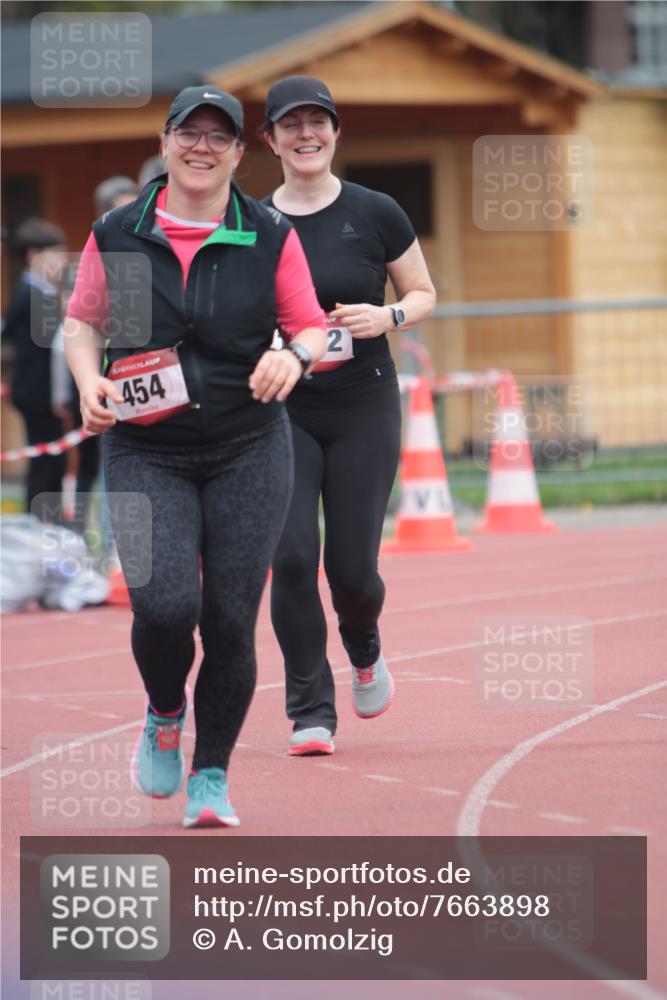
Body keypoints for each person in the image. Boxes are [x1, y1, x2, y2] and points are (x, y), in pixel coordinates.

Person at [64, 85, 327, 828]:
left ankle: (210, 776)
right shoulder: (118, 229)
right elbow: (82, 324)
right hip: (146, 448)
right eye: (191, 133)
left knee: (229, 619)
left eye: (220, 137)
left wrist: (295, 358)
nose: (203, 148)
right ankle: (162, 709)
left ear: (241, 153)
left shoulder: (268, 232)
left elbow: (309, 325)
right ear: (167, 140)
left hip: (248, 445)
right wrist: (90, 384)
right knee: (164, 606)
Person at [261, 76, 436, 756]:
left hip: (363, 403)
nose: (306, 135)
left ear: (336, 132)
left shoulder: (374, 211)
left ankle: (361, 642)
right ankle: (309, 707)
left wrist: (386, 315)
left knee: (352, 572)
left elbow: (421, 291)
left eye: (318, 123)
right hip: (280, 410)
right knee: (293, 556)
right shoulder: (249, 222)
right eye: (291, 124)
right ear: (270, 138)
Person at [2, 218, 69, 522]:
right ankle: (38, 526)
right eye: (55, 253)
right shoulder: (31, 293)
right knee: (46, 460)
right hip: (36, 392)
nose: (63, 261)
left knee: (53, 459)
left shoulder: (40, 292)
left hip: (41, 391)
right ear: (33, 255)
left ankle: (45, 524)